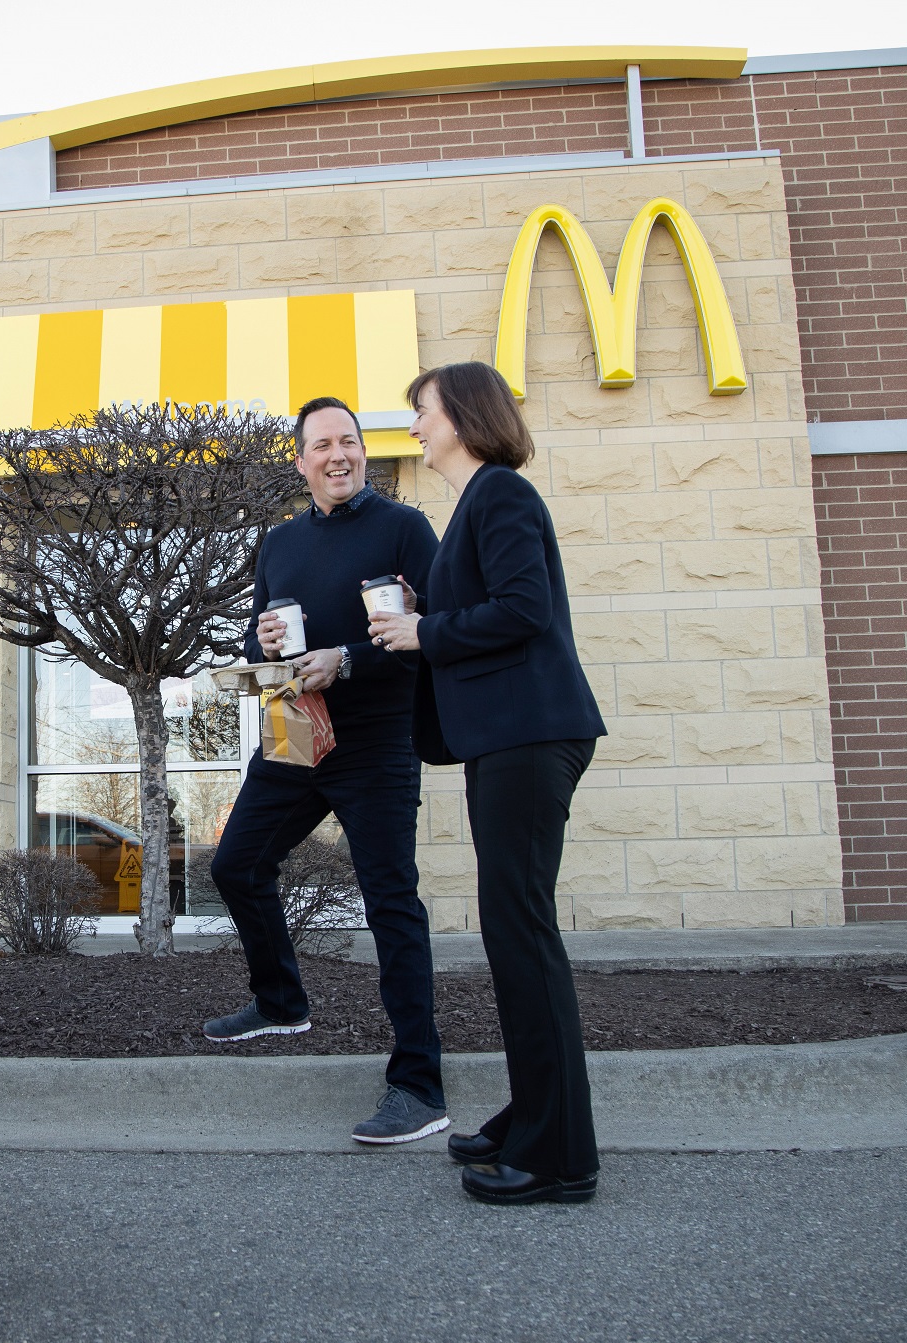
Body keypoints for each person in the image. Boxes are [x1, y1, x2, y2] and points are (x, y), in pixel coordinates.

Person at [368, 360, 607, 1204]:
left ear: (463, 417)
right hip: (508, 739)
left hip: (531, 735)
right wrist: (411, 614)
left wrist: (428, 626)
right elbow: (472, 610)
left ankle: (558, 1156)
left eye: (422, 412)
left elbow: (522, 607)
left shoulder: (501, 495)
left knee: (522, 934)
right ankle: (534, 1114)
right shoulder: (475, 507)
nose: (416, 428)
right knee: (515, 934)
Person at [204, 395, 450, 1147]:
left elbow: (442, 625)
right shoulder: (278, 542)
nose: (338, 454)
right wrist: (267, 634)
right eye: (323, 445)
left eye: (349, 441)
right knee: (237, 864)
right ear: (301, 460)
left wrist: (351, 658)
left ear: (362, 453)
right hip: (295, 733)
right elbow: (263, 628)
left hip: (376, 741)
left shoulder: (404, 528)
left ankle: (418, 1084)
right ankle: (280, 1000)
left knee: (390, 903)